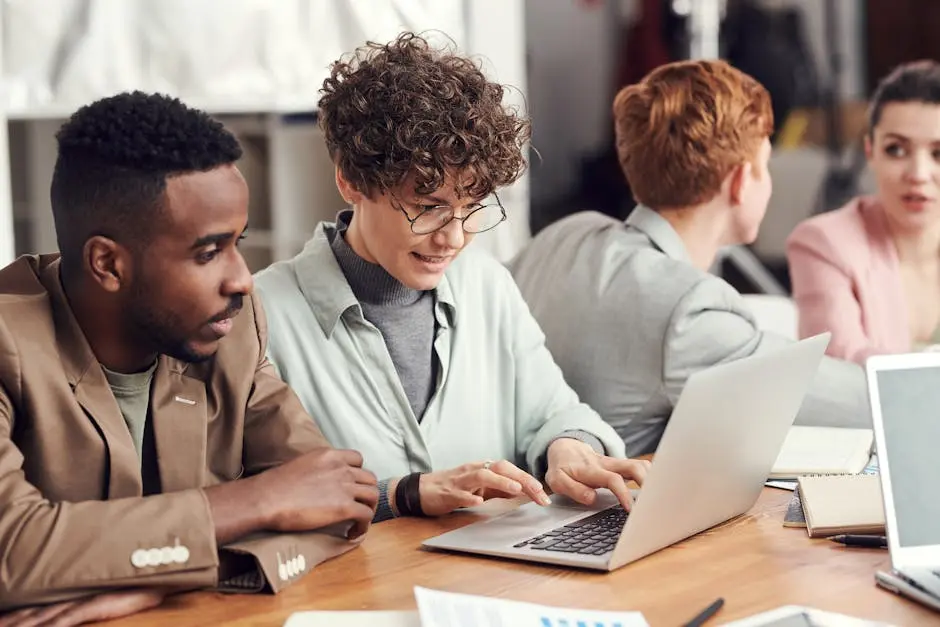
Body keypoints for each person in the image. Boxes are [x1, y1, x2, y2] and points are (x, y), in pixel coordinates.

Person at [0, 92, 378, 624]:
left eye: (238, 243)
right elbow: (12, 550)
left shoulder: (231, 326)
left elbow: (338, 503)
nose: (242, 278)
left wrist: (147, 583)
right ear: (107, 263)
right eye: (208, 252)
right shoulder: (6, 339)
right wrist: (259, 501)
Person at [254, 32, 649, 524]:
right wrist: (400, 493)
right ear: (350, 180)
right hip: (353, 593)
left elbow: (555, 412)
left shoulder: (486, 284)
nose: (455, 238)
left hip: (492, 584)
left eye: (473, 207)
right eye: (428, 208)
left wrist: (568, 448)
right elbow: (254, 498)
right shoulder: (262, 315)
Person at [509, 59, 870, 458]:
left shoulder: (566, 233)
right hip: (605, 512)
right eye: (764, 167)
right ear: (739, 182)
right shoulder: (688, 311)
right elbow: (864, 404)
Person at [787, 60, 940, 363]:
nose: (918, 173)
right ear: (870, 152)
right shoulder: (823, 243)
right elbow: (845, 368)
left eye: (938, 154)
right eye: (896, 149)